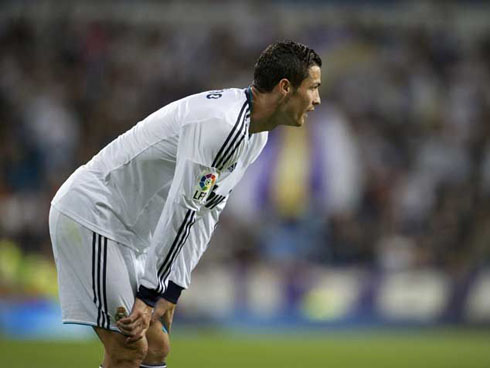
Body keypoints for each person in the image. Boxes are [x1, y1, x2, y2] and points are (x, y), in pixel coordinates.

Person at [49, 40, 321, 368]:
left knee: (155, 348)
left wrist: (172, 288)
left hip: (124, 233)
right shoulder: (223, 126)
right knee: (128, 348)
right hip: (92, 215)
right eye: (313, 88)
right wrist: (150, 293)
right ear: (285, 88)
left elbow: (209, 210)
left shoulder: (255, 135)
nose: (317, 100)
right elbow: (183, 209)